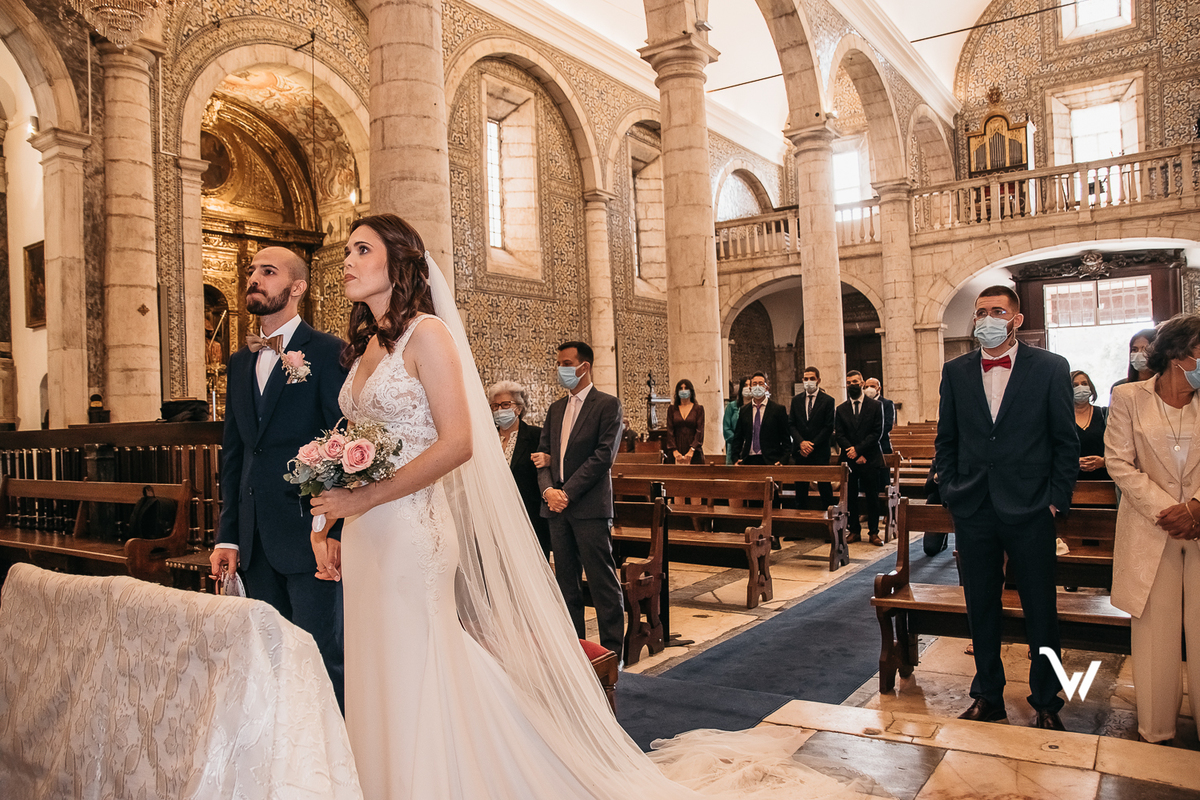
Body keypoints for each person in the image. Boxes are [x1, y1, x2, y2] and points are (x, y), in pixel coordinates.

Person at [306, 214, 859, 800]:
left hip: (412, 534)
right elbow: (359, 448)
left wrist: (361, 498)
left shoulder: (430, 335)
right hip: (370, 533)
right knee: (377, 665)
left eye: (361, 249)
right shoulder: (367, 345)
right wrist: (331, 517)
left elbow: (458, 443)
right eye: (346, 249)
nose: (346, 260)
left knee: (417, 662)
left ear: (399, 260)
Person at [209, 246, 349, 710]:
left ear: (297, 287)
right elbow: (235, 454)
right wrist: (228, 536)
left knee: (322, 658)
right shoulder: (239, 362)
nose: (255, 278)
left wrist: (333, 530)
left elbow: (343, 447)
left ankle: (333, 768)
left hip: (309, 538)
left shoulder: (329, 353)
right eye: (252, 271)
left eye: (268, 272)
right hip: (253, 540)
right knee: (268, 661)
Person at [934, 285, 1079, 730]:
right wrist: (954, 491)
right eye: (980, 312)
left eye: (997, 311)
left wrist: (1055, 501)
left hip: (1032, 506)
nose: (987, 319)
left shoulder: (1051, 368)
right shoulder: (956, 371)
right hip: (975, 506)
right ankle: (987, 694)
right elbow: (948, 439)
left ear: (1016, 319)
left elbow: (1064, 442)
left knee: (1041, 607)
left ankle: (1047, 700)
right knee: (981, 605)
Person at [1105, 314, 1200, 745]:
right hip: (1151, 528)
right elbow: (1120, 463)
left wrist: (1196, 509)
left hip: (1199, 526)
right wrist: (1171, 511)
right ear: (1179, 354)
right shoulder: (1129, 397)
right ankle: (1156, 726)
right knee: (1154, 631)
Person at [537, 340, 625, 658]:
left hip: (588, 507)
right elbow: (543, 456)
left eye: (565, 363)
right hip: (557, 510)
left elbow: (603, 458)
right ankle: (577, 651)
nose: (561, 369)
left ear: (583, 367)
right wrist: (548, 491)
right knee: (566, 584)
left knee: (601, 582)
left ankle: (612, 653)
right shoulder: (556, 409)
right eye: (559, 363)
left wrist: (567, 493)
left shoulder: (607, 405)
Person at [489, 380, 552, 559]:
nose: (499, 409)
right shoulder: (487, 440)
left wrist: (550, 460)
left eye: (505, 404)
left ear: (519, 407)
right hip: (495, 515)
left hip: (528, 515)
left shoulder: (536, 436)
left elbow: (551, 469)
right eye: (494, 406)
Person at [835, 370, 885, 546]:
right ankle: (854, 530)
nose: (852, 385)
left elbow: (876, 432)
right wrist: (851, 452)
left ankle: (873, 532)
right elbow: (840, 434)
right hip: (849, 459)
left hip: (869, 457)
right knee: (851, 496)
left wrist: (859, 451)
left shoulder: (875, 406)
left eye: (855, 382)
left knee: (872, 496)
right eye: (849, 382)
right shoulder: (841, 409)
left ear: (862, 383)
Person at [788, 366, 835, 510]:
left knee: (824, 486)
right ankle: (801, 520)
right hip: (801, 451)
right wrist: (801, 442)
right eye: (806, 379)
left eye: (812, 379)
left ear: (818, 380)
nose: (808, 382)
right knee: (800, 488)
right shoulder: (796, 400)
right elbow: (791, 424)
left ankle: (829, 519)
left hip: (819, 450)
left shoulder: (827, 400)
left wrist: (812, 444)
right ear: (802, 380)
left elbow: (828, 427)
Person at [730, 372, 791, 466]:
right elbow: (738, 437)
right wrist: (735, 458)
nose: (757, 386)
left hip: (771, 460)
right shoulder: (744, 410)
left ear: (766, 387)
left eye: (761, 383)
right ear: (750, 388)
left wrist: (783, 460)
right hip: (748, 460)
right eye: (754, 384)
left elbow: (785, 438)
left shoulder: (778, 409)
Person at [1071, 370, 1109, 481]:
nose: (1080, 388)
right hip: (1071, 481)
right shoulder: (1061, 417)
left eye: (1084, 384)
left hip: (1104, 480)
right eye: (1075, 385)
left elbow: (1119, 446)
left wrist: (1103, 462)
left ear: (1091, 387)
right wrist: (1071, 462)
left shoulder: (1104, 414)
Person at [665, 378, 705, 464]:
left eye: (686, 388)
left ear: (691, 391)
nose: (683, 391)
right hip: (676, 450)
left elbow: (700, 431)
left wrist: (692, 450)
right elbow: (670, 431)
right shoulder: (672, 409)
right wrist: (674, 450)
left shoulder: (698, 409)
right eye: (681, 389)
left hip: (694, 451)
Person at [863, 377, 895, 454]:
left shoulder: (887, 404)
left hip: (882, 444)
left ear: (879, 388)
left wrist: (872, 436)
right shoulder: (862, 404)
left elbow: (888, 425)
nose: (869, 389)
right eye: (866, 387)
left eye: (872, 386)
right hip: (864, 446)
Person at [723, 376, 750, 464]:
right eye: (745, 385)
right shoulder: (732, 406)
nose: (748, 388)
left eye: (750, 386)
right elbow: (726, 429)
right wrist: (738, 441)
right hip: (734, 447)